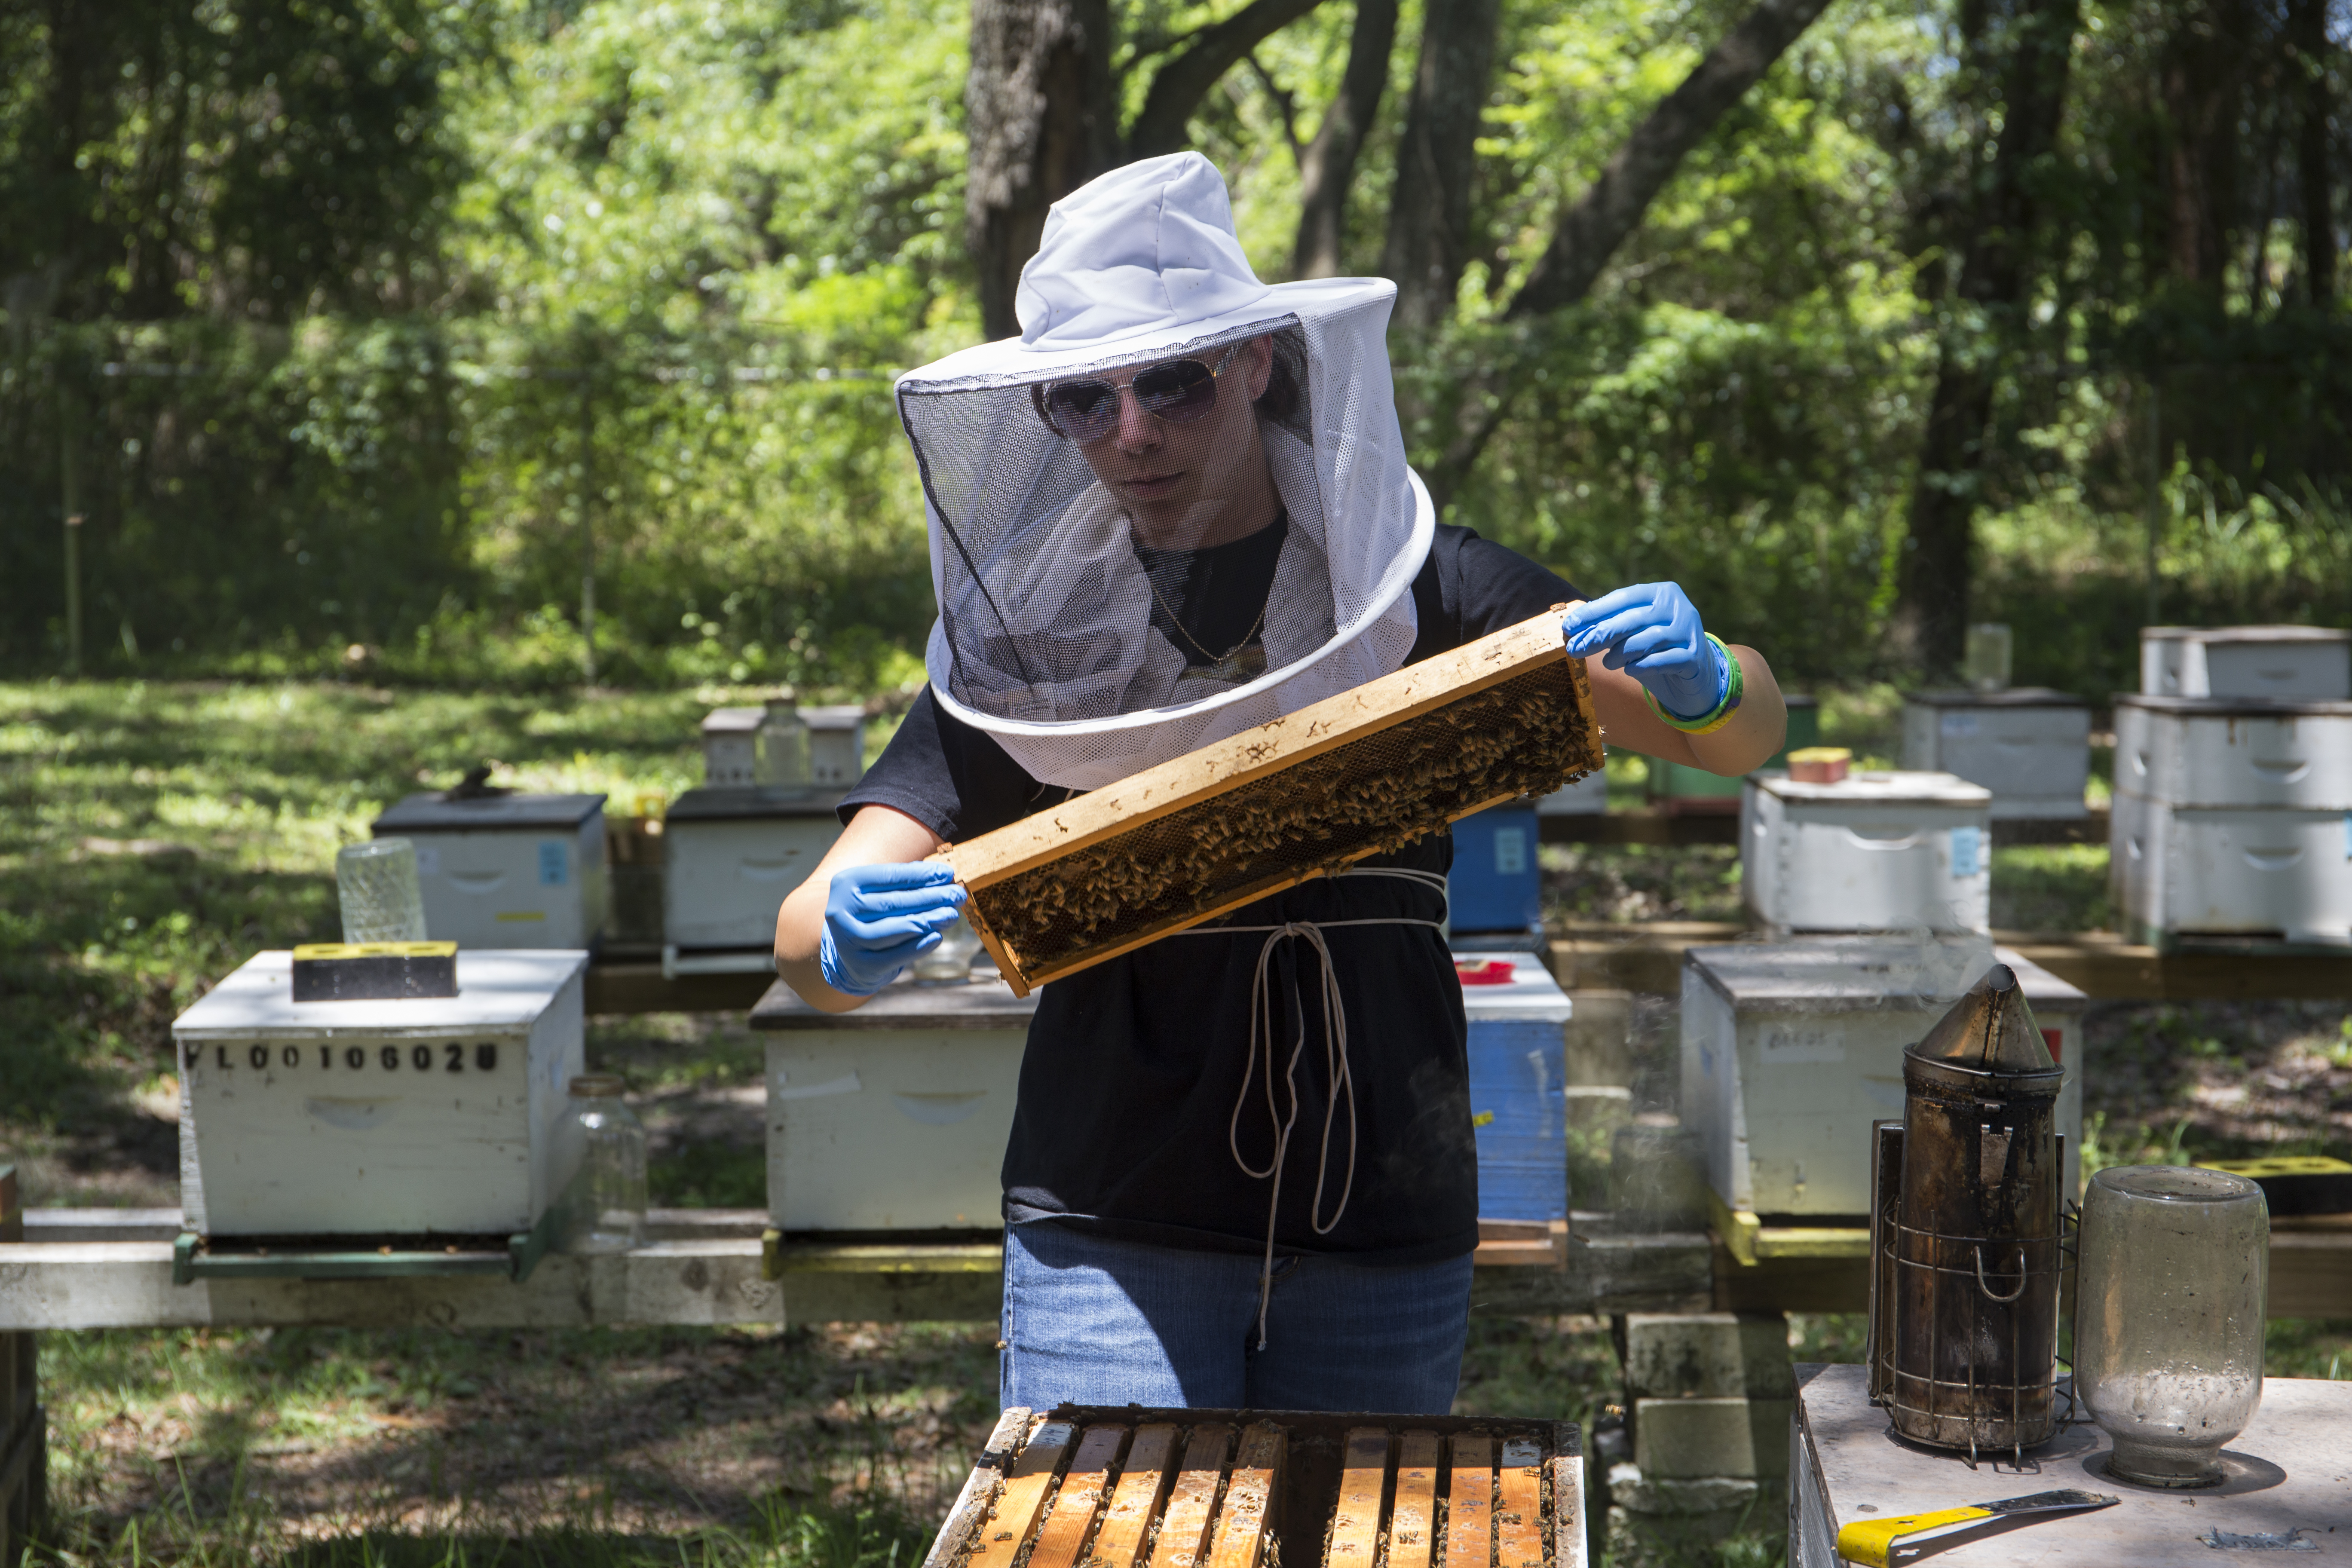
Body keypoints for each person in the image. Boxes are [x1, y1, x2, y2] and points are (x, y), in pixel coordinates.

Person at [775, 153, 1785, 1415]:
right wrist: (843, 946)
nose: (1131, 433)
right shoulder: (1030, 642)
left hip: (1383, 1198)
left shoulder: (1418, 584)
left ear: (1256, 359)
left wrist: (1709, 682)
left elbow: (1731, 740)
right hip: (1112, 1217)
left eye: (1172, 384)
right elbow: (810, 932)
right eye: (1082, 399)